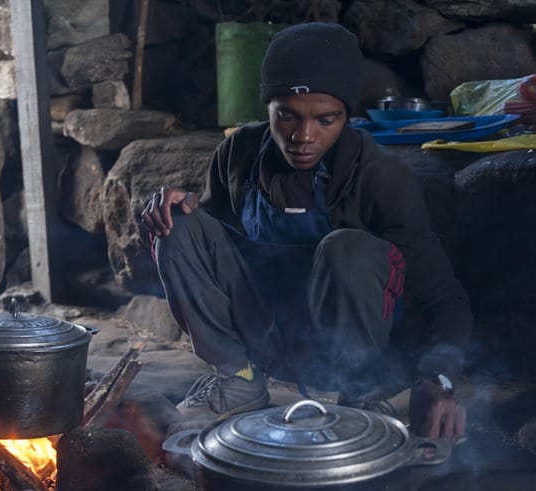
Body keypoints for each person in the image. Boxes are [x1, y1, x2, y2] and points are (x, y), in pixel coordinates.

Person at [140, 22, 470, 442]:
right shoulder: (237, 154)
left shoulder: (381, 176)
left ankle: (360, 397)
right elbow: (208, 250)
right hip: (271, 334)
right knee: (178, 226)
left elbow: (443, 296)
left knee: (347, 249)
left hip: (356, 352)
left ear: (347, 115)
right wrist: (175, 210)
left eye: (326, 119)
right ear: (268, 109)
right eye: (287, 117)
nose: (303, 136)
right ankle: (239, 380)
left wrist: (438, 380)